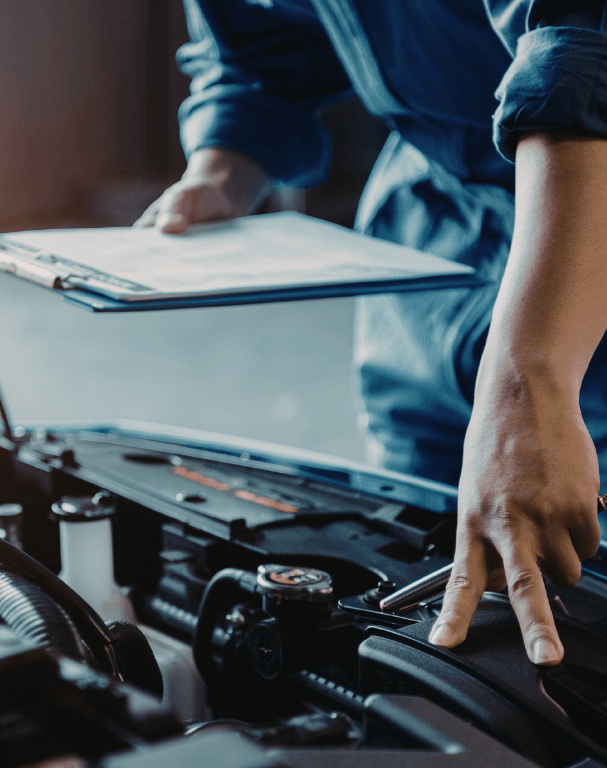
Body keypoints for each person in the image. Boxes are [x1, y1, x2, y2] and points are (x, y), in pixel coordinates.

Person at [136, 1, 607, 667]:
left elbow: (583, 55)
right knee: (410, 543)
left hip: (586, 229)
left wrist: (531, 378)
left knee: (580, 592)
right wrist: (218, 174)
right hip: (432, 235)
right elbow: (257, 41)